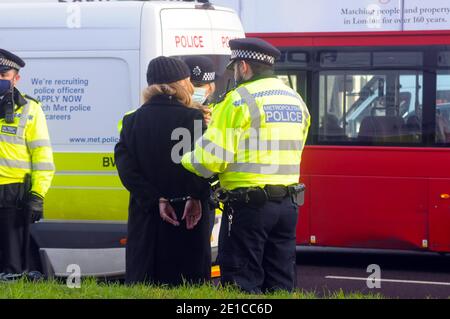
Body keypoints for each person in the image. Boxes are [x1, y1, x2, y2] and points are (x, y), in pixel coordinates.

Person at [181, 38, 311, 293]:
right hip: (288, 205)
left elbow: (212, 159)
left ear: (243, 66)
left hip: (249, 207)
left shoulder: (238, 100)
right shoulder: (295, 99)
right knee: (281, 281)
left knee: (242, 282)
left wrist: (186, 159)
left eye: (234, 68)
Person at [114, 56, 211, 285]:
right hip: (188, 218)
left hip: (148, 218)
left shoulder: (131, 121)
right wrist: (196, 195)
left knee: (146, 283)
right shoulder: (195, 119)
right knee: (188, 286)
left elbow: (127, 171)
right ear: (181, 84)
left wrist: (155, 199)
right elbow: (204, 165)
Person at [0, 49, 55, 276]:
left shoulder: (30, 110)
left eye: (3, 74)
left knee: (12, 260)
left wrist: (37, 195)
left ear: (16, 78)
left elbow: (43, 158)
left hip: (12, 191)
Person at [184, 56, 218, 237]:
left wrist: (210, 126)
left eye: (201, 85)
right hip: (178, 192)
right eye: (193, 84)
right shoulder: (175, 109)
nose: (197, 90)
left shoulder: (218, 111)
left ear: (210, 87)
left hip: (205, 193)